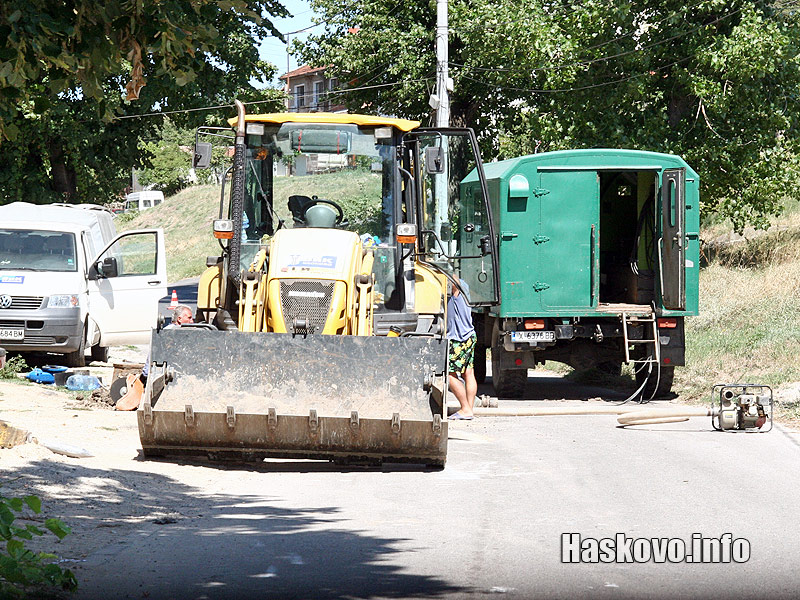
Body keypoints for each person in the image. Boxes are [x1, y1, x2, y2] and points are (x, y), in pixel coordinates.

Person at [115, 304, 194, 411]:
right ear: (179, 319)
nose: (192, 321)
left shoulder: (169, 331)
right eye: (189, 318)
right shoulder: (171, 333)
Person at [447, 280, 477, 420]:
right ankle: (469, 410)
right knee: (468, 373)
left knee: (449, 374)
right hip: (470, 335)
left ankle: (465, 408)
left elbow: (453, 281)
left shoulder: (457, 290)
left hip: (458, 339)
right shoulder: (465, 287)